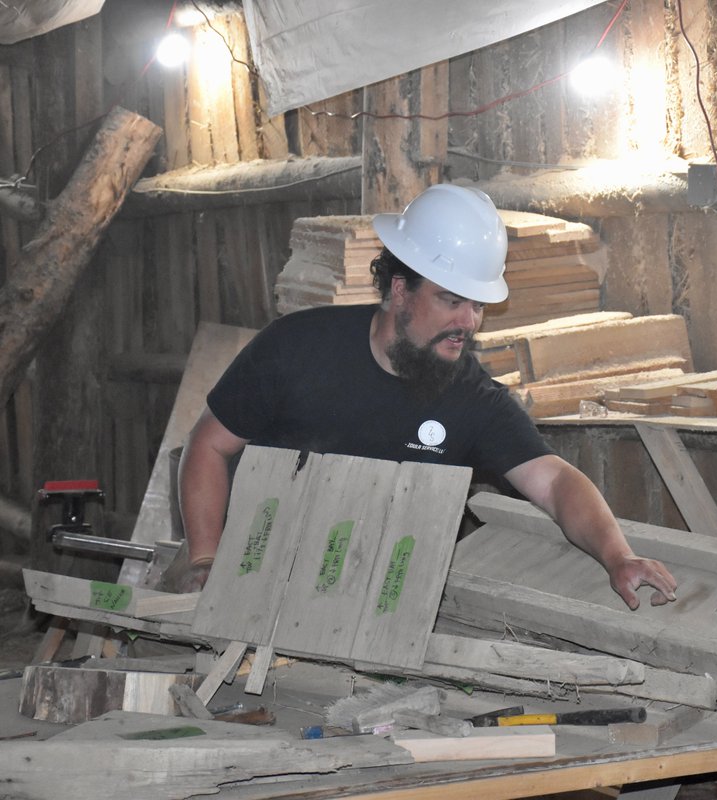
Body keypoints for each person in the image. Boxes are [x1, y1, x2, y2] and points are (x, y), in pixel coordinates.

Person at [174, 183, 678, 612]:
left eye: (477, 305)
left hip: (374, 596)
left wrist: (618, 555)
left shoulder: (471, 398)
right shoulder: (294, 348)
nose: (467, 322)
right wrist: (204, 560)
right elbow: (208, 447)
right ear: (399, 291)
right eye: (450, 300)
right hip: (257, 572)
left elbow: (555, 481)